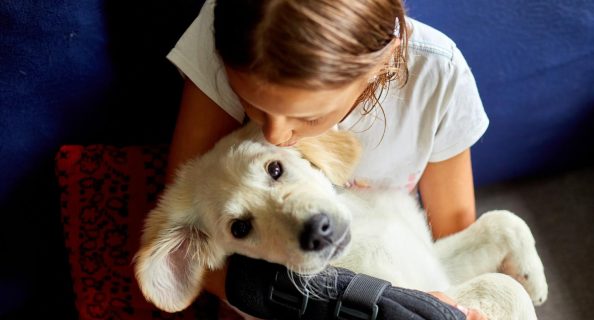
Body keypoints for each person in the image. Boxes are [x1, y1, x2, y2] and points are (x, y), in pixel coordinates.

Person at [164, 0, 489, 319]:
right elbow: (190, 243)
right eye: (252, 104)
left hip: (397, 263)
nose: (275, 136)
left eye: (308, 116)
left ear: (384, 62)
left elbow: (453, 235)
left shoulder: (437, 75)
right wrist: (361, 306)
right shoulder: (234, 33)